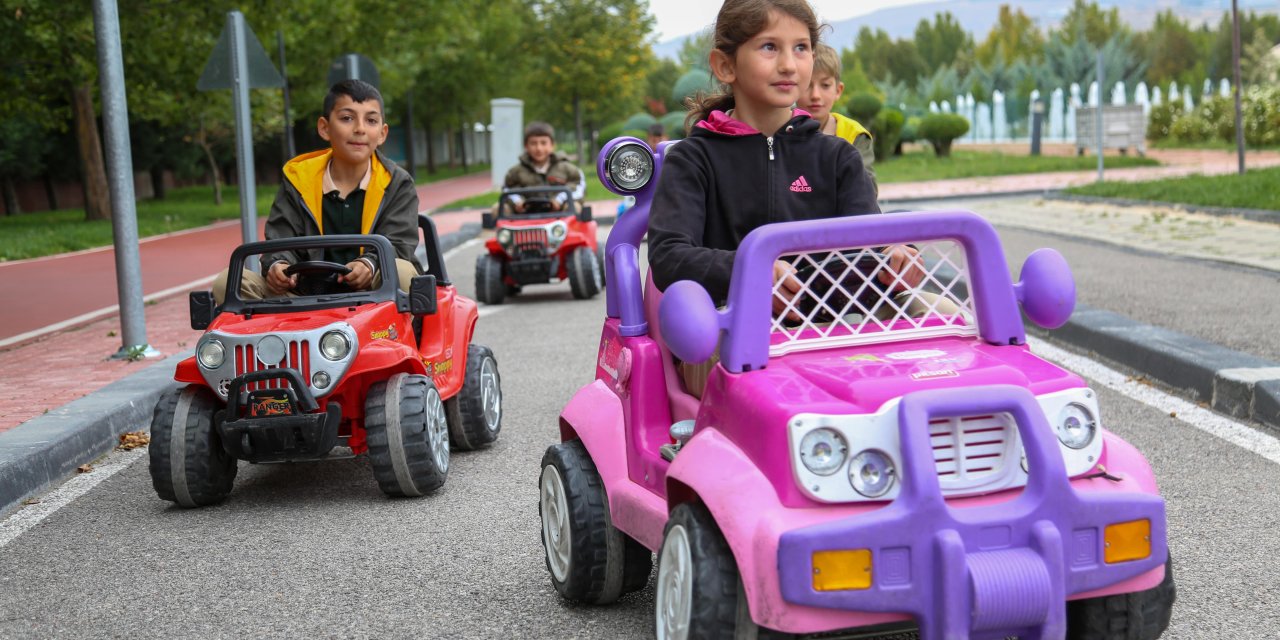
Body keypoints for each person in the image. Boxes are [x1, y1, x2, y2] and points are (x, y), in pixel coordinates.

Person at [648, 0, 924, 397]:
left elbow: (868, 243)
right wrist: (752, 270)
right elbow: (669, 256)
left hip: (836, 323)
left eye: (801, 48)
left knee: (943, 315)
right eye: (769, 47)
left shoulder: (837, 157)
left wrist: (895, 256)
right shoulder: (694, 159)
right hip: (733, 326)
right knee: (728, 366)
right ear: (726, 66)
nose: (789, 65)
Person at [213, 79, 421, 304]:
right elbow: (281, 236)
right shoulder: (298, 179)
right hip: (303, 296)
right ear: (325, 128)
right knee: (228, 281)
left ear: (382, 133)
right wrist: (277, 266)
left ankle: (393, 337)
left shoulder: (397, 183)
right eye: (347, 118)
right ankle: (270, 338)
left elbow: (399, 244)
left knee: (401, 271)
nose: (360, 128)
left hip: (374, 296)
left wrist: (368, 264)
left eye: (370, 120)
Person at [804, 43, 877, 195]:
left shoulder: (855, 136)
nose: (815, 95)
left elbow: (867, 193)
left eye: (825, 85)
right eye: (806, 85)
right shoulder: (779, 131)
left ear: (838, 91)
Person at [499, 122, 584, 213]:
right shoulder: (515, 172)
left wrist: (559, 200)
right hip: (524, 215)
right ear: (526, 146)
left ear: (552, 145)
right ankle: (496, 228)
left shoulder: (567, 169)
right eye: (533, 143)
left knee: (575, 207)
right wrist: (518, 202)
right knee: (498, 208)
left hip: (559, 214)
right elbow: (507, 189)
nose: (539, 148)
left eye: (543, 143)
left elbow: (578, 186)